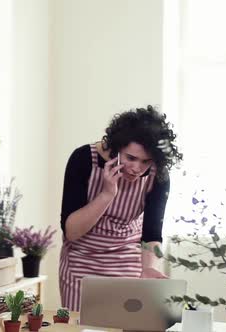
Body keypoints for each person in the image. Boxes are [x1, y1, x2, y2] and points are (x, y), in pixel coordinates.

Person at [58, 105, 182, 311]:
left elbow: (152, 235)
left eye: (146, 161)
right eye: (130, 158)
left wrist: (149, 268)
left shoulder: (158, 175)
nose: (137, 168)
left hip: (128, 263)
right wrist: (107, 194)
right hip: (81, 264)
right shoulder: (83, 159)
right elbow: (71, 232)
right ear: (114, 148)